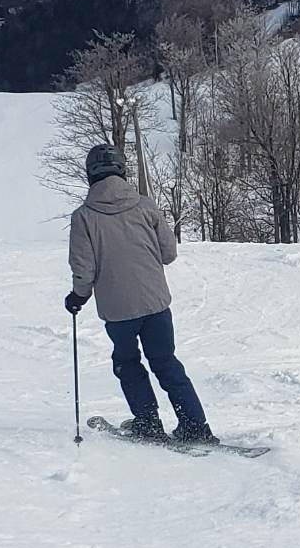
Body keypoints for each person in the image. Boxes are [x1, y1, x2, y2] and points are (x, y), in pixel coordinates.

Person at [65, 143, 216, 444]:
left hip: (118, 309)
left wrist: (78, 296)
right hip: (155, 302)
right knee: (165, 362)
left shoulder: (84, 217)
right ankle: (195, 426)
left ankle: (148, 422)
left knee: (128, 362)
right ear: (122, 171)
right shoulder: (145, 206)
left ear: (90, 175)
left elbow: (84, 267)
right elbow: (169, 253)